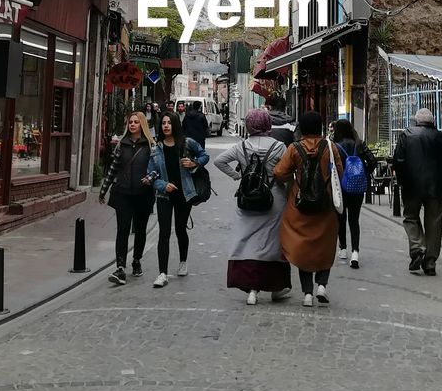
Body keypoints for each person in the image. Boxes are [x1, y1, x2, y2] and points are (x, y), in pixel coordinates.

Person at [214, 108, 292, 305]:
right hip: (274, 198)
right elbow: (287, 173)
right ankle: (276, 287)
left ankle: (252, 289)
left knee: (247, 241)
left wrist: (237, 176)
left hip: (248, 198)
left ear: (248, 125)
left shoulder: (242, 146)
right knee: (274, 242)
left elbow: (219, 161)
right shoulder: (279, 147)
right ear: (267, 124)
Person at [273, 110, 343, 307]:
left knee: (303, 247)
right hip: (325, 205)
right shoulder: (330, 147)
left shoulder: (294, 148)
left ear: (301, 127)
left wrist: (294, 180)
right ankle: (322, 285)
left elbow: (279, 172)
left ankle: (307, 294)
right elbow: (339, 170)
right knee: (324, 245)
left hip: (299, 205)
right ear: (320, 126)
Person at [146, 111, 210, 288]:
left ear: (175, 124)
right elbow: (151, 174)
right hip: (164, 195)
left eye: (169, 122)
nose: (166, 125)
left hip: (184, 194)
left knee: (181, 229)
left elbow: (205, 155)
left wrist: (194, 163)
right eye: (163, 123)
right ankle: (162, 273)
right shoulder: (156, 148)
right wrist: (161, 185)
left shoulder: (187, 143)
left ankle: (183, 261)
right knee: (164, 232)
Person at [394, 107, 442, 276]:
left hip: (411, 187)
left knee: (410, 218)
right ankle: (430, 263)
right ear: (432, 122)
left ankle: (417, 248)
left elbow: (398, 161)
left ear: (416, 121)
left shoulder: (406, 135)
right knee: (434, 224)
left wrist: (401, 183)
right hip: (435, 188)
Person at [100, 112, 154, 286]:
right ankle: (120, 267)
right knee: (122, 230)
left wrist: (151, 178)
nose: (132, 124)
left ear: (142, 125)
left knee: (140, 230)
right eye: (130, 122)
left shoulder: (151, 146)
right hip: (123, 193)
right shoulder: (121, 145)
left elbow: (156, 168)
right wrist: (103, 189)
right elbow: (114, 169)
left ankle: (136, 259)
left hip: (143, 194)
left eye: (136, 122)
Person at [331, 119, 376, 268]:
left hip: (341, 188)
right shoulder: (359, 144)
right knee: (354, 220)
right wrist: (364, 173)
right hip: (357, 187)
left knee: (341, 218)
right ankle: (355, 252)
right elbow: (373, 161)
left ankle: (343, 249)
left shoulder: (335, 146)